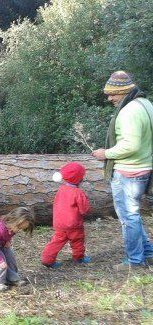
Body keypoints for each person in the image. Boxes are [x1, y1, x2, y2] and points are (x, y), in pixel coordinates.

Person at [91, 71, 153, 270]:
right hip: (144, 168)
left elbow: (131, 145)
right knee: (133, 214)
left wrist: (106, 153)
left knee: (129, 217)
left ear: (124, 91)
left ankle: (135, 260)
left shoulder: (129, 112)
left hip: (129, 171)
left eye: (113, 94)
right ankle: (149, 252)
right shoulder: (146, 104)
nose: (109, 98)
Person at [41, 162, 91, 268]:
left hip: (59, 223)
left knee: (56, 241)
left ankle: (47, 259)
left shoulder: (61, 189)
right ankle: (79, 258)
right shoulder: (78, 193)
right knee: (77, 240)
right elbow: (84, 210)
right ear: (79, 179)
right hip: (73, 224)